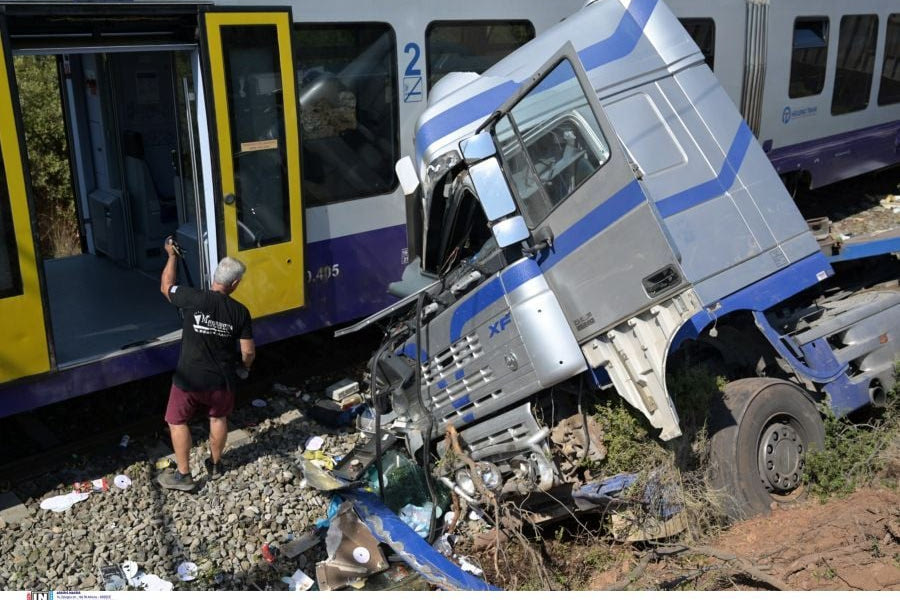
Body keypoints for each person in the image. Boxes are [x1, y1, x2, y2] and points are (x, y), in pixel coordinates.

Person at [157, 238, 255, 491]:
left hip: (187, 378)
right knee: (218, 417)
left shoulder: (193, 298)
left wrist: (171, 256)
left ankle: (184, 475)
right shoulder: (240, 312)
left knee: (177, 422)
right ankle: (215, 463)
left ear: (216, 277)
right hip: (221, 380)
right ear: (235, 284)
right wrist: (244, 368)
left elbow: (166, 286)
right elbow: (247, 351)